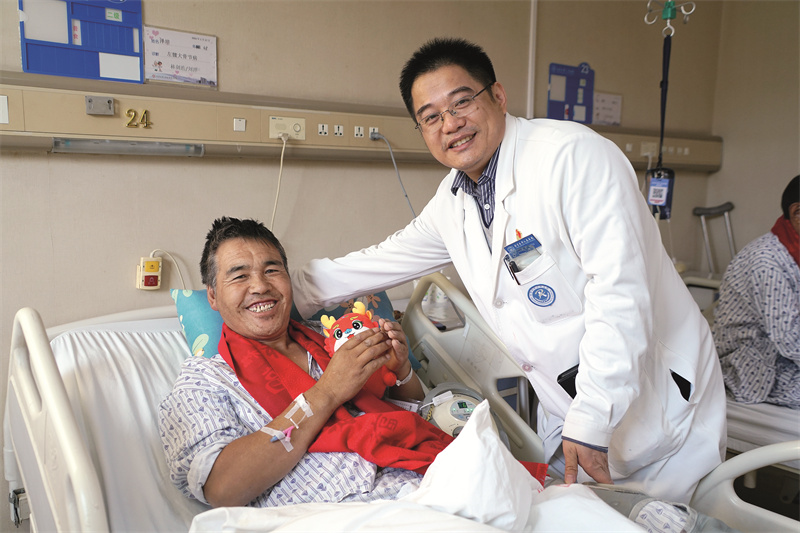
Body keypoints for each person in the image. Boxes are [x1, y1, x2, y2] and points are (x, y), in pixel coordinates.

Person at [291, 37, 726, 503]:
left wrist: (592, 415)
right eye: (431, 117)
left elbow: (621, 295)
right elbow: (380, 260)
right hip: (571, 415)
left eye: (462, 102)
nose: (450, 124)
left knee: (674, 522)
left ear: (498, 96)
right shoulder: (453, 200)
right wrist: (280, 291)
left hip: (659, 412)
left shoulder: (573, 158)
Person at [159, 217, 452, 508]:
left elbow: (406, 414)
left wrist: (401, 371)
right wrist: (328, 391)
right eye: (239, 276)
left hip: (428, 479)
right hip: (342, 513)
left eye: (272, 270)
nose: (260, 286)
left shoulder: (333, 338)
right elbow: (222, 488)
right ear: (212, 296)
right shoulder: (204, 379)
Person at [713, 175, 800, 408]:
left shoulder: (794, 250)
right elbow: (789, 340)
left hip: (785, 356)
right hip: (755, 364)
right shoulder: (767, 261)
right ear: (796, 212)